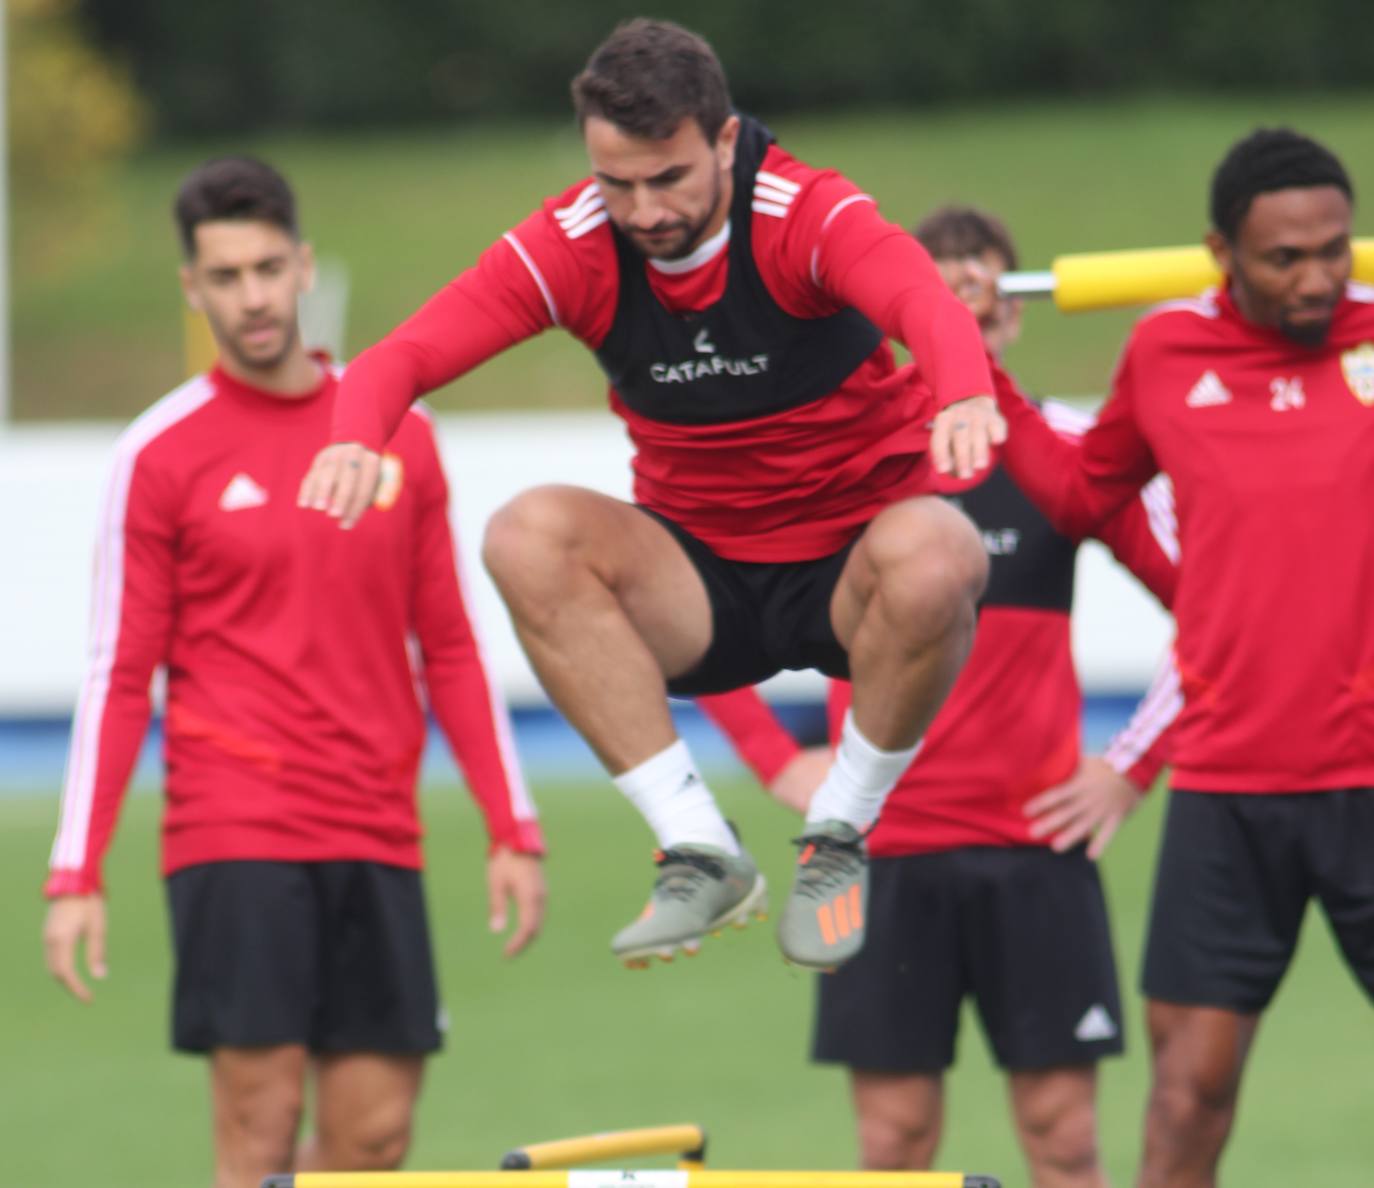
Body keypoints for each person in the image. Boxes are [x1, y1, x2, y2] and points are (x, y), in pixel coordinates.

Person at [296, 19, 1006, 972]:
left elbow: (920, 297)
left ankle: (838, 833)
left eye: (668, 178)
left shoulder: (804, 212)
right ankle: (697, 847)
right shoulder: (572, 244)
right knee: (524, 534)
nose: (643, 211)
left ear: (725, 140)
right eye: (615, 183)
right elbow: (407, 353)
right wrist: (354, 432)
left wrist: (963, 388)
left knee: (944, 550)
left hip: (854, 573)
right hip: (700, 589)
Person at [41, 156, 547, 1188]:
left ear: (304, 266)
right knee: (261, 1125)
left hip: (378, 823)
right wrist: (76, 872)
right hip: (235, 827)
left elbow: (449, 645)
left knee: (374, 1140)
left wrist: (512, 826)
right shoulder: (158, 453)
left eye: (269, 269)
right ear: (192, 287)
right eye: (226, 277)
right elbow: (117, 674)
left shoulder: (402, 434)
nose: (254, 297)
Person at [700, 206, 1181, 1186]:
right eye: (941, 296)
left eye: (984, 296)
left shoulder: (1070, 456)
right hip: (873, 856)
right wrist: (772, 757)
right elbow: (704, 607)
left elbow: (1216, 611)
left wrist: (1131, 769)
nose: (967, 317)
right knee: (894, 1144)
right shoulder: (841, 460)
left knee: (1064, 1139)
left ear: (1013, 315)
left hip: (1034, 856)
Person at [990, 128, 1374, 1187]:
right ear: (1221, 254)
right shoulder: (1165, 353)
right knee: (1187, 1098)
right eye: (1284, 258)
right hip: (1227, 790)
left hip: (1370, 776)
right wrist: (982, 374)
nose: (1317, 279)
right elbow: (1082, 495)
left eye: (1335, 250)